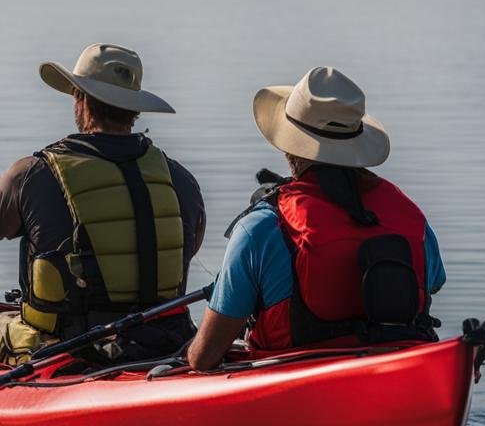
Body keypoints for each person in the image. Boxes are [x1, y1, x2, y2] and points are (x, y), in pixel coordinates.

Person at [0, 43, 206, 365]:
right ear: (134, 108)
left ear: (80, 98)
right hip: (168, 341)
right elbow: (164, 244)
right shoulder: (180, 178)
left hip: (63, 348)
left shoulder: (35, 174)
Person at [187, 66, 445, 371]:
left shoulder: (260, 227)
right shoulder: (410, 216)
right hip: (397, 371)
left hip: (297, 384)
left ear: (289, 147)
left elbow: (205, 358)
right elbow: (433, 283)